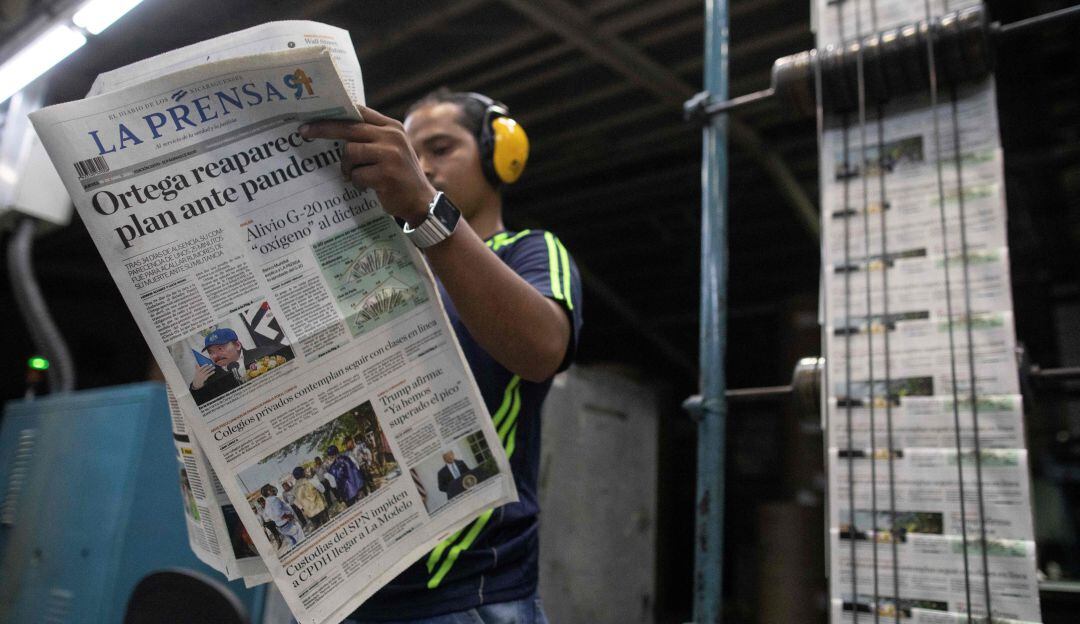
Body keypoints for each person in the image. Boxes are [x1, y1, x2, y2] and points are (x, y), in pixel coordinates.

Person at [302, 89, 582, 623]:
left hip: (465, 593)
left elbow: (543, 349)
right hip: (345, 589)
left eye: (440, 148)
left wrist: (425, 210)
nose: (422, 165)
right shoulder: (385, 272)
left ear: (502, 155)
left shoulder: (529, 250)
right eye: (413, 151)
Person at [188, 327, 295, 404]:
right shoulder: (209, 379)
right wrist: (196, 387)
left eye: (220, 349)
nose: (214, 356)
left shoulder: (266, 353)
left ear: (237, 345)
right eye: (210, 352)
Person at [261, 484, 305, 548]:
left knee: (293, 543)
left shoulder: (267, 502)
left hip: (281, 526)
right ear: (268, 492)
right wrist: (288, 516)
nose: (273, 489)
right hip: (288, 524)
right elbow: (278, 513)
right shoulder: (274, 499)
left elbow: (270, 516)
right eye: (270, 488)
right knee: (301, 539)